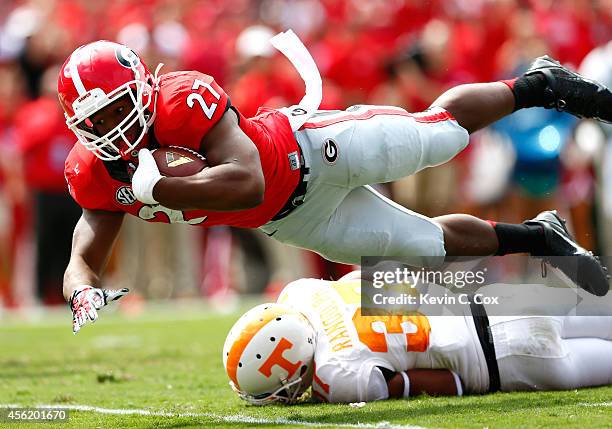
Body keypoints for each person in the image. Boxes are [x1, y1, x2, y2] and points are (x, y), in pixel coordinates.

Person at [58, 32, 612, 334]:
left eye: (117, 109)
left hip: (311, 152)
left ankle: (538, 83)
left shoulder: (182, 99)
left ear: (142, 88)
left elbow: (247, 179)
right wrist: (82, 289)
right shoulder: (91, 170)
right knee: (423, 246)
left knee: (439, 138)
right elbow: (85, 250)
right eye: (96, 121)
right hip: (294, 219)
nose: (111, 128)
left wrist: (164, 190)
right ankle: (541, 237)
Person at [222, 273, 612, 404]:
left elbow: (451, 384)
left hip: (509, 358)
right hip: (491, 300)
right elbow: (391, 285)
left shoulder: (334, 376)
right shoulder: (301, 293)